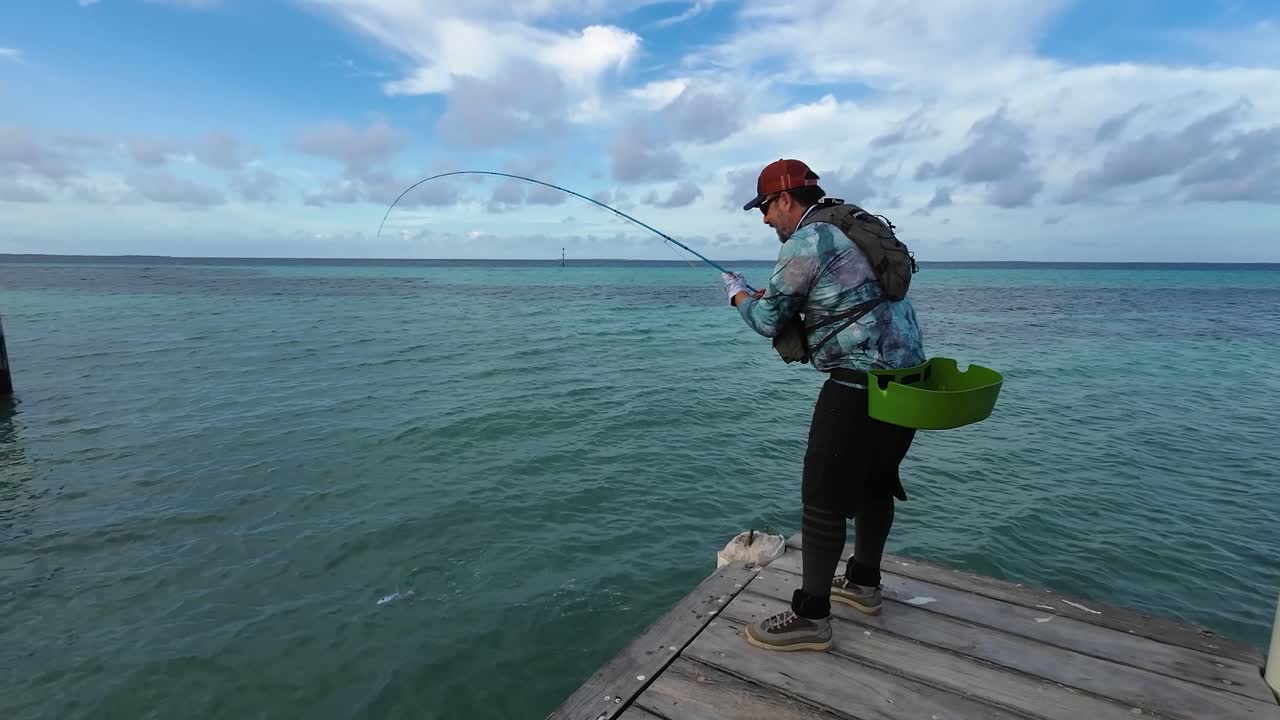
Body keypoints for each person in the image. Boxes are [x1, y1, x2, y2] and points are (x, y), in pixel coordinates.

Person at [723, 158, 926, 652]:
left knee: (821, 502)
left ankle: (811, 617)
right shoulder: (857, 225)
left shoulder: (809, 240)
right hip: (910, 382)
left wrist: (737, 296)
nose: (766, 220)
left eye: (765, 210)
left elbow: (771, 318)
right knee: (875, 486)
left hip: (858, 384)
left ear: (786, 200)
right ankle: (863, 583)